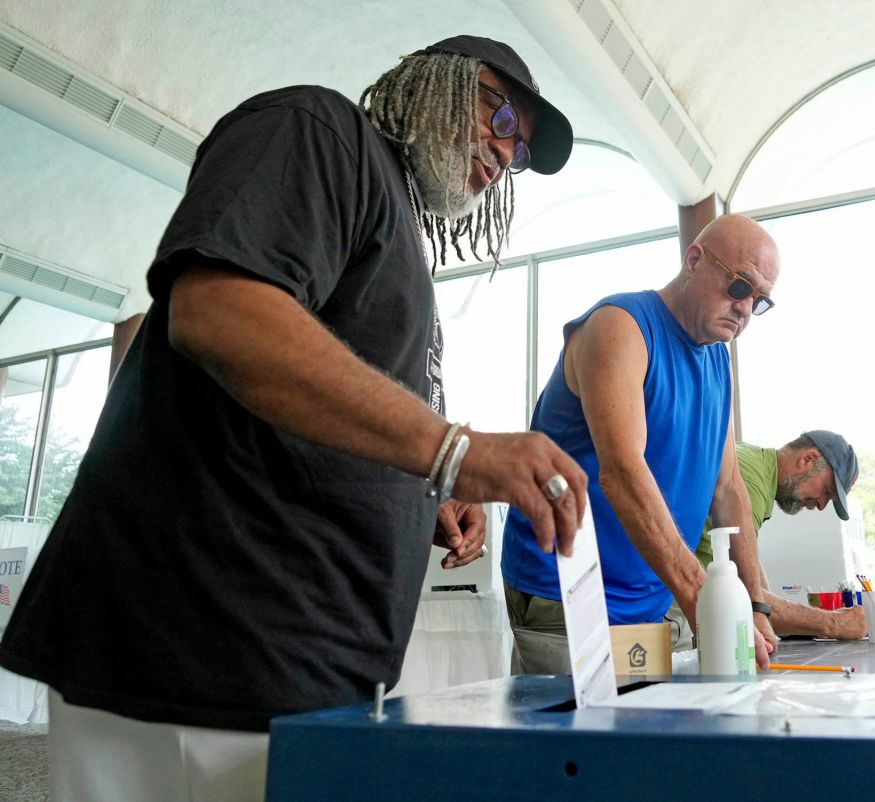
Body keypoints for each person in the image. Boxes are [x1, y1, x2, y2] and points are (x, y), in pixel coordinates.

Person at [0, 36, 588, 801]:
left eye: (520, 154)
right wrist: (449, 449)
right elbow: (219, 313)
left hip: (299, 663)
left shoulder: (397, 226)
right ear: (431, 84)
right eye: (501, 116)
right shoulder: (319, 131)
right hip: (202, 651)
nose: (505, 155)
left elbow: (323, 409)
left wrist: (428, 490)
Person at [501, 213, 781, 673]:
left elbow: (728, 490)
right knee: (573, 743)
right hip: (570, 595)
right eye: (739, 286)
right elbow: (622, 471)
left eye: (761, 301)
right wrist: (702, 598)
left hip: (650, 602)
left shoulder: (716, 361)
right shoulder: (620, 327)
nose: (746, 308)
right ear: (694, 260)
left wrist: (756, 605)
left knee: (641, 739)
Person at [677, 431, 866, 640]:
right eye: (826, 491)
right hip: (668, 609)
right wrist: (834, 623)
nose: (821, 505)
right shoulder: (748, 480)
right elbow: (742, 596)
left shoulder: (755, 465)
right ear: (808, 459)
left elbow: (760, 602)